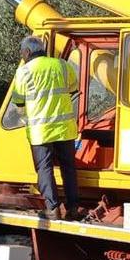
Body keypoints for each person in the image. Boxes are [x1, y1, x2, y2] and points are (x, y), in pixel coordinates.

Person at [9, 35, 82, 220]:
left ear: (27, 52)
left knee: (45, 168)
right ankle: (73, 209)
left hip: (40, 131)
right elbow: (74, 88)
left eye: (22, 53)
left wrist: (24, 116)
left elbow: (18, 101)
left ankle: (53, 209)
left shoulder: (24, 72)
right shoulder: (62, 65)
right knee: (68, 168)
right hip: (64, 129)